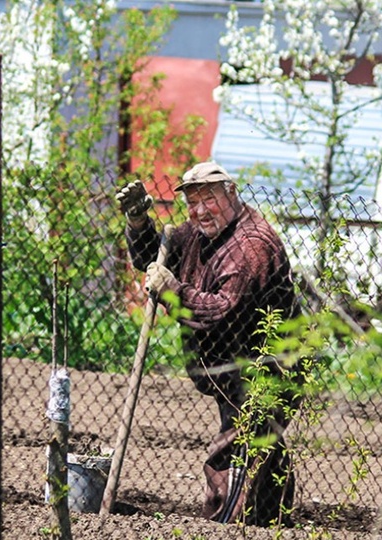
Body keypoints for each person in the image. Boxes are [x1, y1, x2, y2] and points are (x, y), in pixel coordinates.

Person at [115, 161, 302, 526]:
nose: (200, 210)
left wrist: (173, 291)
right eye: (193, 202)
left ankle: (221, 528)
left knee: (233, 454)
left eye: (209, 199)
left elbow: (221, 312)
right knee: (263, 450)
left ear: (231, 194)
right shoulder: (202, 233)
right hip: (237, 367)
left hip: (267, 369)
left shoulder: (250, 246)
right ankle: (271, 526)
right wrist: (138, 224)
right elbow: (157, 258)